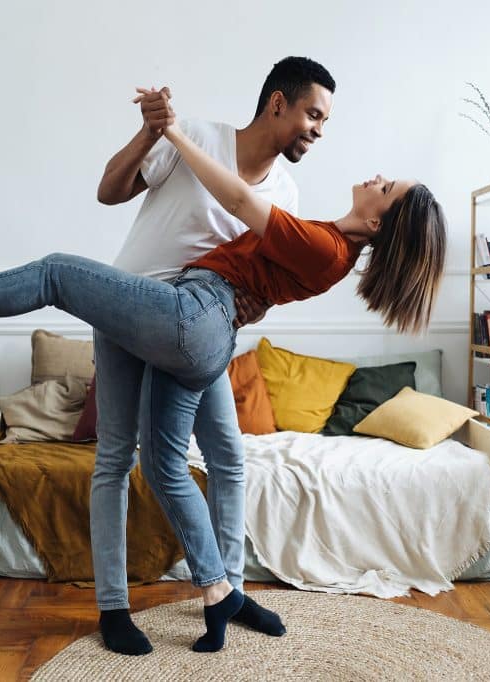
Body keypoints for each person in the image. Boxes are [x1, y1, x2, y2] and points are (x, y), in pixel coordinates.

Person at [0, 92, 446, 653]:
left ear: (378, 225)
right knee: (160, 465)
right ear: (277, 104)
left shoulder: (324, 245)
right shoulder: (328, 238)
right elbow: (127, 196)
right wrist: (163, 136)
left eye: (385, 187)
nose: (373, 176)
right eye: (316, 115)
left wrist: (177, 134)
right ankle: (217, 592)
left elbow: (239, 203)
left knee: (56, 271)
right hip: (186, 319)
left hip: (193, 317)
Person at [90, 56, 334, 656]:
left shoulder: (287, 191)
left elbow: (264, 279)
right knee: (116, 459)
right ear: (277, 102)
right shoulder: (195, 136)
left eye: (323, 121)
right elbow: (108, 191)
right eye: (312, 114)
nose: (318, 130)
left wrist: (249, 311)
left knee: (228, 454)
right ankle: (113, 608)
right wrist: (150, 131)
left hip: (196, 332)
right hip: (131, 307)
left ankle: (225, 594)